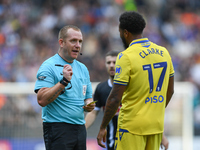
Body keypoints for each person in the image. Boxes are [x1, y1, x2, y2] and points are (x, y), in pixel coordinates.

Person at [97, 11, 174, 150]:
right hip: (155, 125)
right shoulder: (164, 52)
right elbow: (171, 90)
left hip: (131, 127)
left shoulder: (125, 56)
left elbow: (115, 98)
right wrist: (154, 111)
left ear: (125, 32)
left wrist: (103, 126)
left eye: (120, 31)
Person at [34, 25, 95, 150]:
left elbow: (88, 98)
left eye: (80, 41)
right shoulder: (48, 66)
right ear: (61, 42)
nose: (78, 45)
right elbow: (41, 100)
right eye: (73, 41)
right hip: (58, 129)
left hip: (80, 128)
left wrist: (89, 104)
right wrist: (64, 81)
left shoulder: (83, 69)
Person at [85, 50, 121, 150]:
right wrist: (82, 129)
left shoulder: (130, 87)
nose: (112, 65)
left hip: (131, 140)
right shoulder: (101, 88)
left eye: (115, 62)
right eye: (109, 62)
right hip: (111, 142)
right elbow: (93, 113)